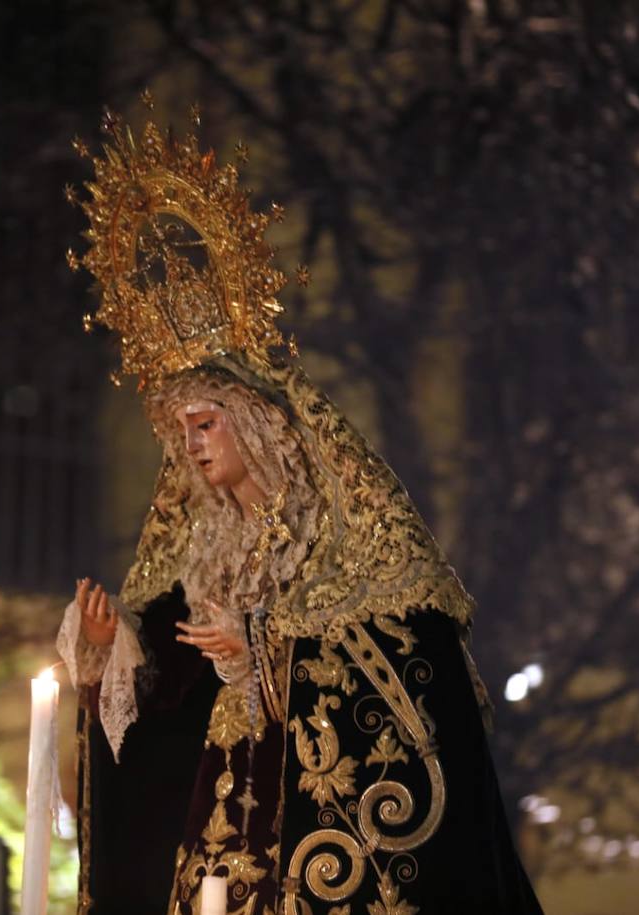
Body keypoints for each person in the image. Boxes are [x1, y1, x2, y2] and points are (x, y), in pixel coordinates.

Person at [56, 111, 543, 914]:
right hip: (215, 851)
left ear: (253, 419)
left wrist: (261, 648)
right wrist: (107, 666)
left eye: (205, 423)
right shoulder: (201, 558)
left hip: (313, 863)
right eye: (181, 431)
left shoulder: (355, 547)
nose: (193, 445)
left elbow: (414, 688)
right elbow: (156, 738)